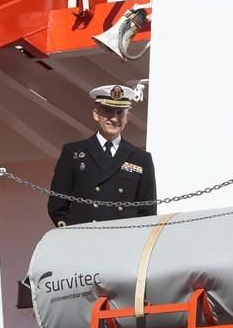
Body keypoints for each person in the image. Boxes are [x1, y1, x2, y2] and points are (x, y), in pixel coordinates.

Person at [47, 84, 157, 227]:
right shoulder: (73, 153)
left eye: (120, 113)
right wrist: (71, 230)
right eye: (108, 111)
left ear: (127, 117)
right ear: (96, 114)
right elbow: (58, 204)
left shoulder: (141, 159)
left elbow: (147, 211)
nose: (114, 118)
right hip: (82, 239)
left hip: (122, 239)